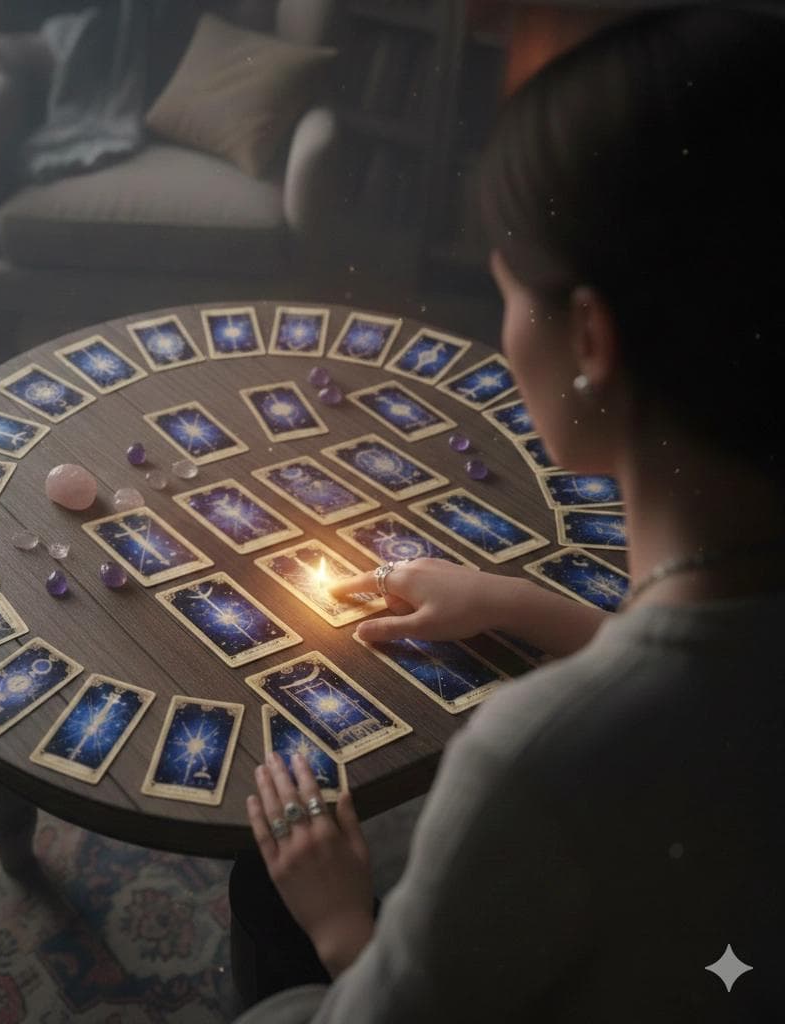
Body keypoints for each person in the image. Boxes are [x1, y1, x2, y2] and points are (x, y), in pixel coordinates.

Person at [234, 6, 785, 1021]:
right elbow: (713, 687)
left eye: (507, 292)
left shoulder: (529, 758)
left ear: (589, 338)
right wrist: (515, 602)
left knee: (272, 956)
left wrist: (342, 923)